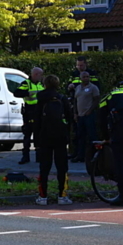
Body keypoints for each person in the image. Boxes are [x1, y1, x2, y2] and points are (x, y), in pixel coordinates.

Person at [33, 75, 72, 205]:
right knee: (62, 167)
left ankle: (43, 196)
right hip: (60, 136)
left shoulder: (40, 98)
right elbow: (70, 118)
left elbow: (37, 120)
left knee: (44, 167)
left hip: (44, 136)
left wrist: (36, 140)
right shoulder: (62, 98)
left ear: (45, 84)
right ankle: (62, 195)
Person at [12, 67, 44, 164]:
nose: (41, 77)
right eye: (40, 75)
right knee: (27, 134)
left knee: (38, 135)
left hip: (39, 112)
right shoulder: (26, 83)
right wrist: (27, 93)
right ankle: (25, 157)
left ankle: (39, 157)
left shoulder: (41, 84)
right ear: (35, 74)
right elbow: (16, 93)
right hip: (29, 112)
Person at [69, 70, 100, 163]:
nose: (86, 78)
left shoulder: (93, 88)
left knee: (92, 136)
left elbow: (97, 100)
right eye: (84, 77)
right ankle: (80, 155)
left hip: (89, 115)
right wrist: (75, 113)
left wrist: (90, 110)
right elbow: (75, 100)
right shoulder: (78, 88)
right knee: (80, 136)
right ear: (81, 78)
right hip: (80, 115)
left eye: (87, 77)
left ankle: (94, 156)